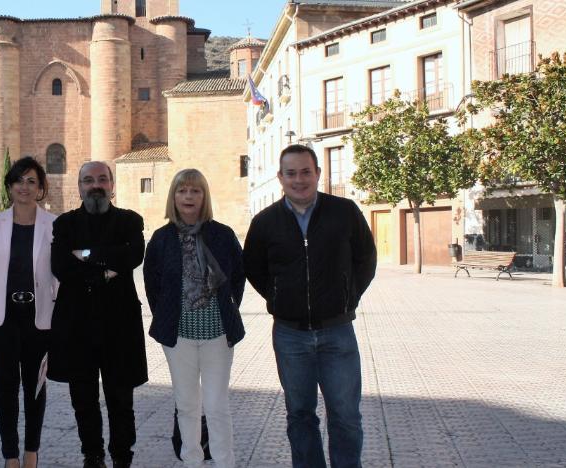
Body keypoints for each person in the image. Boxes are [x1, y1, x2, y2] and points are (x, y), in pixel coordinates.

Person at [243, 144, 377, 468]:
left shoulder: (345, 212)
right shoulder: (264, 222)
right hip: (290, 336)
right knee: (300, 416)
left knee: (345, 416)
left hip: (338, 333)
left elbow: (366, 259)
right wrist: (278, 299)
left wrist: (348, 297)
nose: (299, 180)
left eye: (306, 172)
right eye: (291, 173)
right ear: (280, 177)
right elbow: (254, 268)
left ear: (318, 174)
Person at [47, 161, 148, 468]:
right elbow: (61, 267)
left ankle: (121, 457)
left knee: (121, 400)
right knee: (83, 400)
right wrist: (106, 269)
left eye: (102, 179)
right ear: (79, 186)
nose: (95, 185)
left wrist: (87, 255)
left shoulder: (130, 221)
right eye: (88, 180)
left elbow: (133, 255)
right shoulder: (64, 225)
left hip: (120, 326)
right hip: (77, 327)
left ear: (112, 184)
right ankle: (92, 456)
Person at [143, 169, 245, 468]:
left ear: (204, 196)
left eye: (195, 191)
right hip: (179, 338)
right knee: (187, 405)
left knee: (216, 406)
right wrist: (168, 315)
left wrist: (229, 307)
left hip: (218, 335)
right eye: (182, 190)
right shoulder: (161, 239)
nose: (189, 196)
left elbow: (238, 275)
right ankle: (191, 462)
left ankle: (225, 462)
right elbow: (153, 283)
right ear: (173, 196)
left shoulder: (222, 235)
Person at [0, 157, 58, 468]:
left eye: (32, 181)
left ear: (41, 189)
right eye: (19, 180)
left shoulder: (53, 225)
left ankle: (31, 452)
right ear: (9, 187)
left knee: (35, 386)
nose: (25, 186)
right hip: (1, 320)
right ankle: (10, 455)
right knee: (5, 389)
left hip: (39, 319)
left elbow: (59, 274)